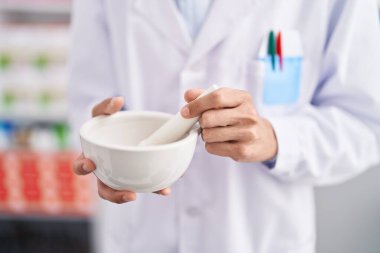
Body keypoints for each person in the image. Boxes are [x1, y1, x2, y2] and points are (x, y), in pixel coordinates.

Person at [68, 0, 380, 252]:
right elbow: (88, 98)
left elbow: (365, 122)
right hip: (141, 234)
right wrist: (103, 148)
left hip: (258, 236)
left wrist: (277, 139)